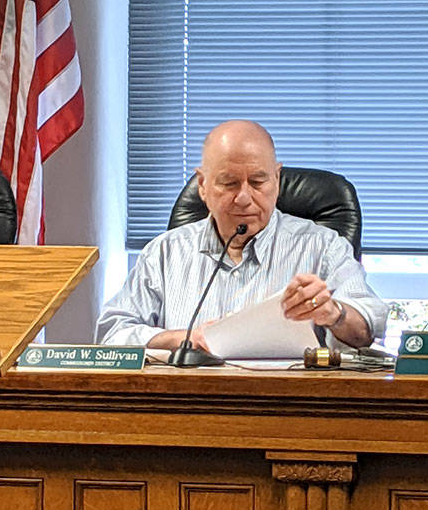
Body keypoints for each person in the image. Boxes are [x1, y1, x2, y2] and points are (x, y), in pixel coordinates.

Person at [97, 119, 387, 351]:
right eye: (229, 183)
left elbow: (368, 329)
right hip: (187, 408)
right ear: (203, 185)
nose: (245, 198)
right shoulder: (165, 252)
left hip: (291, 410)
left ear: (276, 179)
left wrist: (334, 314)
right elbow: (112, 333)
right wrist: (181, 340)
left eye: (258, 181)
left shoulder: (322, 246)